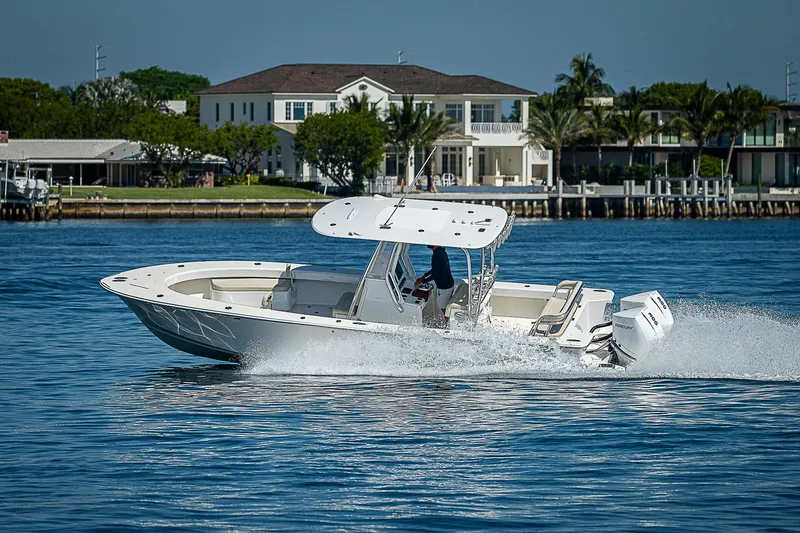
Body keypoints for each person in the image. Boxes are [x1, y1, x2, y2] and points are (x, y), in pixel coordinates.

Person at [415, 245, 455, 315]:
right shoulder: (441, 251)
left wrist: (422, 282)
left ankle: (446, 322)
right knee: (444, 307)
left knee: (443, 309)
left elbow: (435, 274)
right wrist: (424, 276)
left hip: (444, 287)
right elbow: (436, 268)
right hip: (448, 283)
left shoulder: (436, 255)